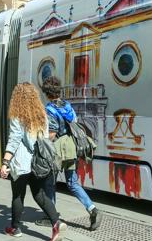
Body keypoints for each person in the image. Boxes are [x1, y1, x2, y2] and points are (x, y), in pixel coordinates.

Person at [0, 83, 66, 240]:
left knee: (18, 195)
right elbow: (44, 138)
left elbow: (15, 139)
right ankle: (56, 222)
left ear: (17, 98)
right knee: (40, 194)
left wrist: (5, 162)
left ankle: (15, 229)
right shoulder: (42, 114)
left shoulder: (18, 115)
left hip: (22, 163)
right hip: (39, 163)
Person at [39, 76, 103, 231]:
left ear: (47, 93)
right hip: (71, 148)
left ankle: (51, 217)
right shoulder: (67, 105)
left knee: (49, 182)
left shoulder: (50, 109)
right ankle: (93, 209)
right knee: (73, 183)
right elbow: (73, 122)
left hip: (59, 149)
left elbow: (52, 133)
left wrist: (41, 140)